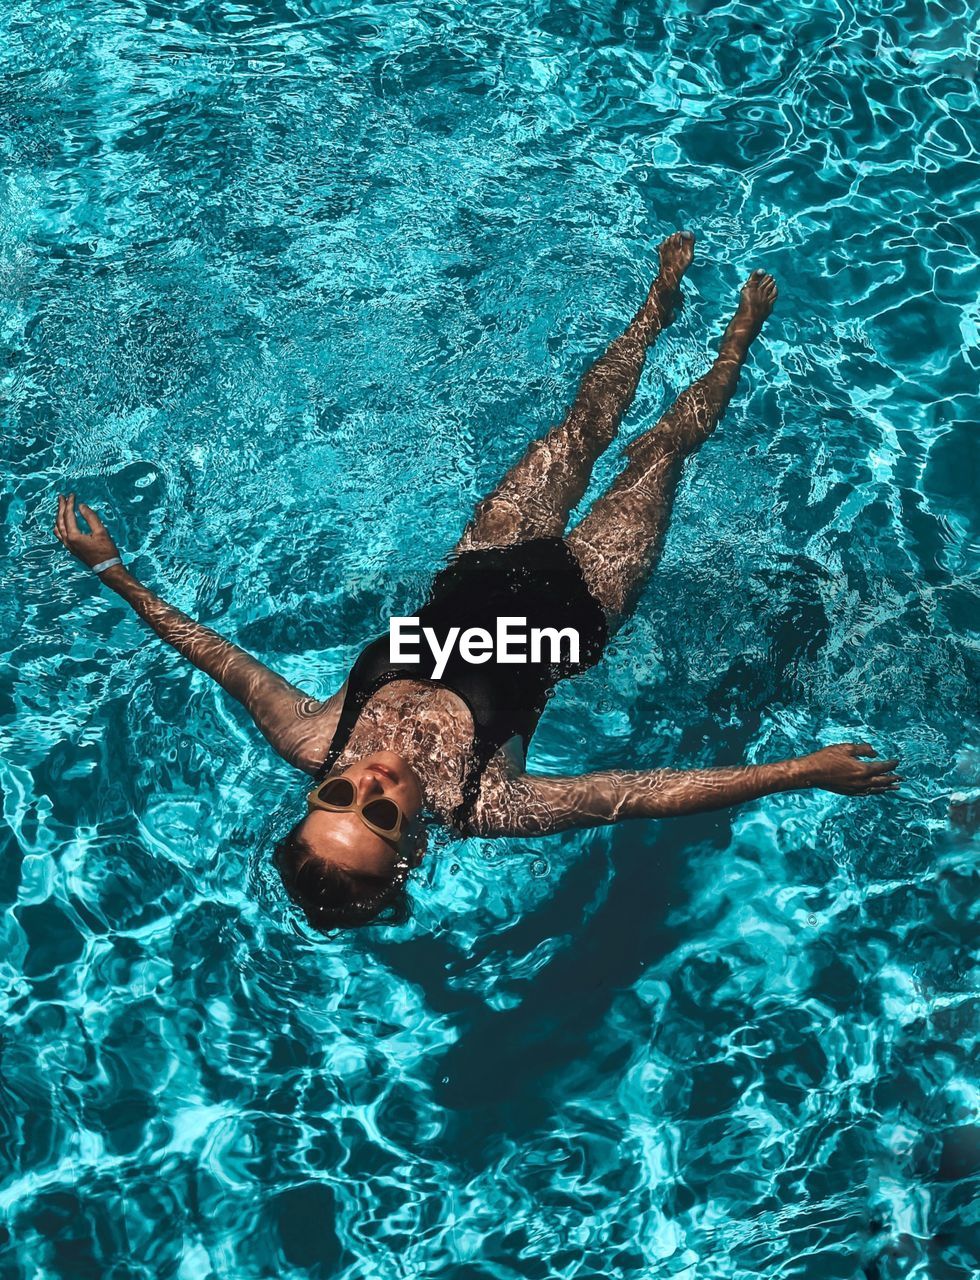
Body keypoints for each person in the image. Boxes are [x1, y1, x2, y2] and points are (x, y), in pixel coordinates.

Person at [54, 233, 902, 931]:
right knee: (660, 451)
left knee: (584, 422)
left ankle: (655, 309)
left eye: (339, 795)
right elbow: (642, 795)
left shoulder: (314, 737)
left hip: (482, 559)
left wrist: (115, 573)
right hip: (584, 596)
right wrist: (801, 771)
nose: (371, 783)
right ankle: (736, 344)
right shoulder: (488, 800)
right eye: (381, 816)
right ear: (413, 846)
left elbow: (221, 658)